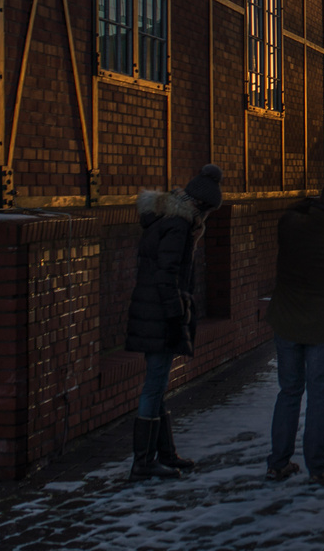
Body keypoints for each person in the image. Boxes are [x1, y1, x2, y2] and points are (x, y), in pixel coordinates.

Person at [125, 163, 223, 479]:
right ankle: (143, 462)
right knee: (154, 384)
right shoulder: (179, 227)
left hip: (151, 310)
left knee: (159, 383)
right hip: (160, 313)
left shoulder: (164, 220)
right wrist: (177, 312)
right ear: (201, 206)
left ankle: (164, 454)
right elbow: (167, 274)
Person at [266, 178, 324, 484]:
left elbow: (294, 211)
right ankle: (319, 466)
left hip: (286, 320)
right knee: (318, 396)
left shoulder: (290, 224)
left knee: (288, 391)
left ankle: (278, 462)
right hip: (320, 325)